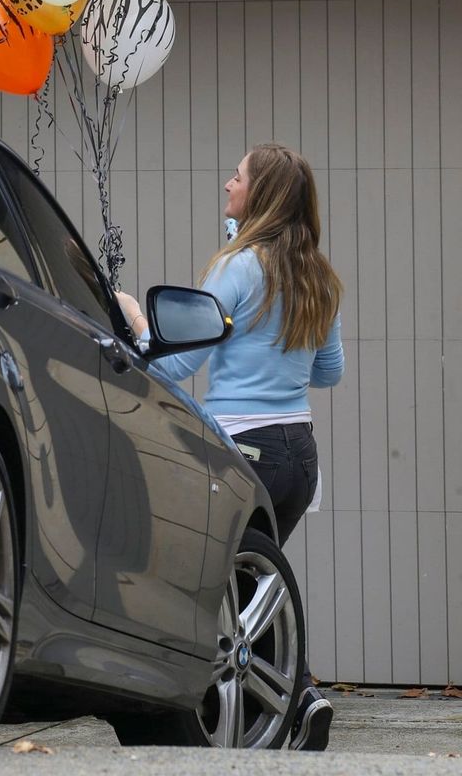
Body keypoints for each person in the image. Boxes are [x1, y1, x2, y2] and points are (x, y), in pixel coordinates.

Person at [117, 142, 344, 752]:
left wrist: (136, 326)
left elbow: (179, 363)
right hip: (300, 454)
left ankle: (290, 697)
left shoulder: (238, 267)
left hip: (242, 451)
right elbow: (330, 371)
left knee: (227, 585)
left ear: (259, 195)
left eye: (236, 177)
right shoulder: (319, 274)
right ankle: (295, 702)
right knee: (249, 586)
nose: (226, 184)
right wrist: (278, 354)